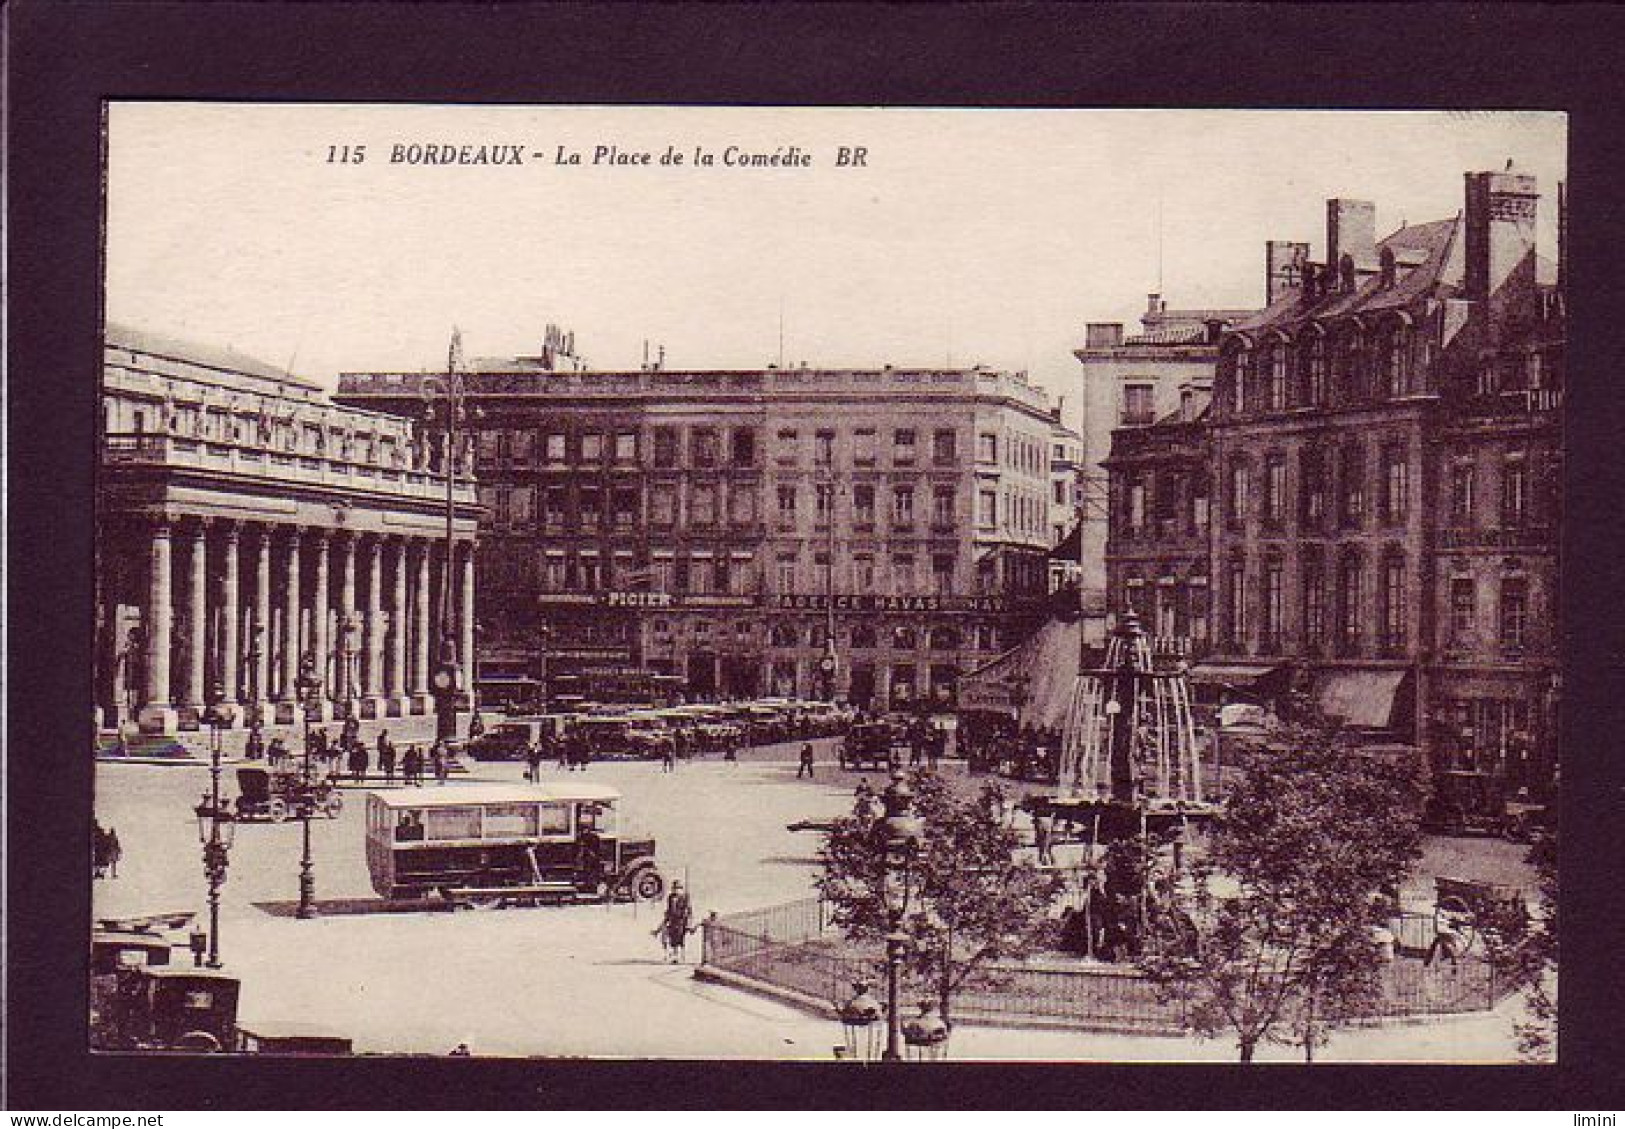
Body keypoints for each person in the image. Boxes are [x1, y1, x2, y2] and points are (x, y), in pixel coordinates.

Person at [654, 880, 695, 963]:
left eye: (678, 888)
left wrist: (688, 923)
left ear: (681, 889)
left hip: (682, 920)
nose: (676, 890)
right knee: (670, 937)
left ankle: (680, 956)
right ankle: (673, 955)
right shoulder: (670, 897)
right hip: (672, 920)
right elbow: (669, 909)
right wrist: (666, 919)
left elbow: (688, 911)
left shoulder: (685, 897)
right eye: (674, 888)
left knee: (680, 938)